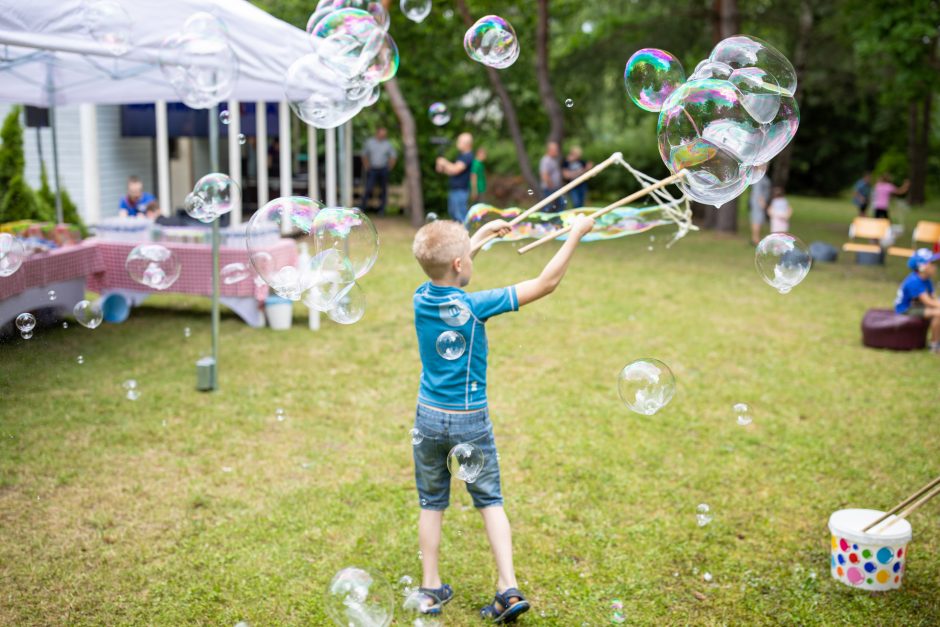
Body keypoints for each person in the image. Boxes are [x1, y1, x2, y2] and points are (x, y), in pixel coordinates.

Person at [410, 214, 596, 622]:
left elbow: (448, 269)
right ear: (460, 264)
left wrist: (475, 238)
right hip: (469, 421)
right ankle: (507, 589)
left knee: (432, 502)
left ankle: (428, 589)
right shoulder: (474, 306)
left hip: (427, 418)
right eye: (467, 257)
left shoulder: (421, 297)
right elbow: (545, 283)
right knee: (490, 501)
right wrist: (576, 235)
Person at [894, 248, 940, 353]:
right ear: (922, 267)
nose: (935, 267)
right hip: (906, 309)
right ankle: (935, 345)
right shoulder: (914, 281)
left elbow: (933, 298)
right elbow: (928, 301)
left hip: (918, 305)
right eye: (931, 264)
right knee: (938, 313)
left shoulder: (927, 280)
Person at [435, 132, 474, 224]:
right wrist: (442, 167)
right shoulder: (461, 156)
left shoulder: (468, 156)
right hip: (455, 190)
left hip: (461, 191)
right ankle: (457, 236)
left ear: (467, 144)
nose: (457, 143)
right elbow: (451, 172)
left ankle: (464, 236)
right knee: (453, 214)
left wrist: (444, 162)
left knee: (460, 215)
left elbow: (455, 169)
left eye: (459, 141)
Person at [361, 127, 398, 215]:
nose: (383, 136)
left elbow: (393, 156)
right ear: (377, 133)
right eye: (381, 134)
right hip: (372, 169)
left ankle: (382, 210)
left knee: (383, 190)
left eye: (384, 134)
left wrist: (390, 167)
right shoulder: (370, 142)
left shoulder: (387, 144)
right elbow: (364, 154)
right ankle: (362, 208)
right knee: (368, 188)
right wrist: (366, 165)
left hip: (383, 169)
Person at [539, 141, 564, 212]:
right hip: (549, 188)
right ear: (550, 150)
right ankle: (545, 221)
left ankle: (556, 220)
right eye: (556, 150)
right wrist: (550, 185)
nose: (557, 151)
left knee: (560, 204)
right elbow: (544, 174)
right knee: (549, 206)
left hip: (555, 187)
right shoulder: (546, 160)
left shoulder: (553, 160)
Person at [748, 173, 772, 245]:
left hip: (758, 201)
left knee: (757, 219)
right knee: (757, 219)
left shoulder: (761, 176)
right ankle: (755, 239)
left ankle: (755, 239)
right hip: (758, 202)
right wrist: (762, 202)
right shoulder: (759, 177)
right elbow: (757, 191)